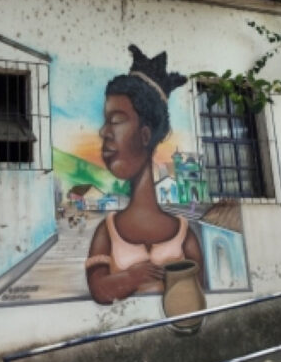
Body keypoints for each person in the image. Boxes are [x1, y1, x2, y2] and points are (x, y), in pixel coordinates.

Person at [85, 45, 204, 304]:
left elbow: (197, 295)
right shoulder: (107, 231)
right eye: (106, 121)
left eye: (115, 120)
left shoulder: (184, 233)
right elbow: (98, 290)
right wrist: (132, 278)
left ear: (145, 135)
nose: (104, 132)